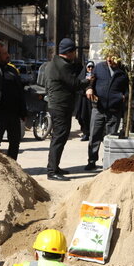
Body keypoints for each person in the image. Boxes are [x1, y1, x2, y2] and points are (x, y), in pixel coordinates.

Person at [45, 38, 91, 181]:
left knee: (60, 137)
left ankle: (55, 166)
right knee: (59, 137)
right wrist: (89, 81)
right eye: (74, 51)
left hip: (57, 105)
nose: (75, 54)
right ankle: (52, 171)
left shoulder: (55, 63)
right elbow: (75, 84)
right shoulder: (63, 66)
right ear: (70, 52)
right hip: (60, 107)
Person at [85, 55, 129, 170]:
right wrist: (89, 88)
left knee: (111, 137)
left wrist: (123, 97)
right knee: (94, 135)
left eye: (112, 57)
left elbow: (129, 89)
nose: (109, 60)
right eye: (107, 57)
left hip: (114, 110)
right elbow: (90, 82)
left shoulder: (123, 71)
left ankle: (109, 162)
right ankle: (92, 160)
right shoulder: (99, 68)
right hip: (98, 108)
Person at [74, 61, 95, 141]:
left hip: (92, 101)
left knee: (92, 117)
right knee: (83, 116)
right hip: (83, 101)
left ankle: (91, 133)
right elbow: (77, 87)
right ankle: (85, 133)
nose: (90, 69)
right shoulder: (82, 76)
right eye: (89, 67)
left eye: (92, 67)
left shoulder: (96, 76)